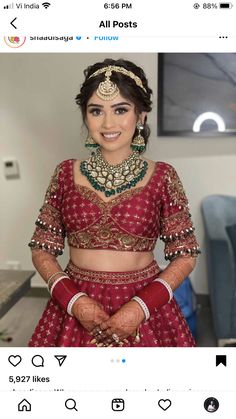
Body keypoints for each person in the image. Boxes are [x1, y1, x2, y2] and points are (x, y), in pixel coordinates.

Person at [28, 58, 200, 347]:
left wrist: (140, 307)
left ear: (141, 115)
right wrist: (74, 301)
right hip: (74, 309)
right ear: (86, 116)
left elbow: (186, 254)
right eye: (96, 111)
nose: (108, 123)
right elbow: (41, 249)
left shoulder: (162, 177)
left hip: (145, 309)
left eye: (120, 109)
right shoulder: (65, 174)